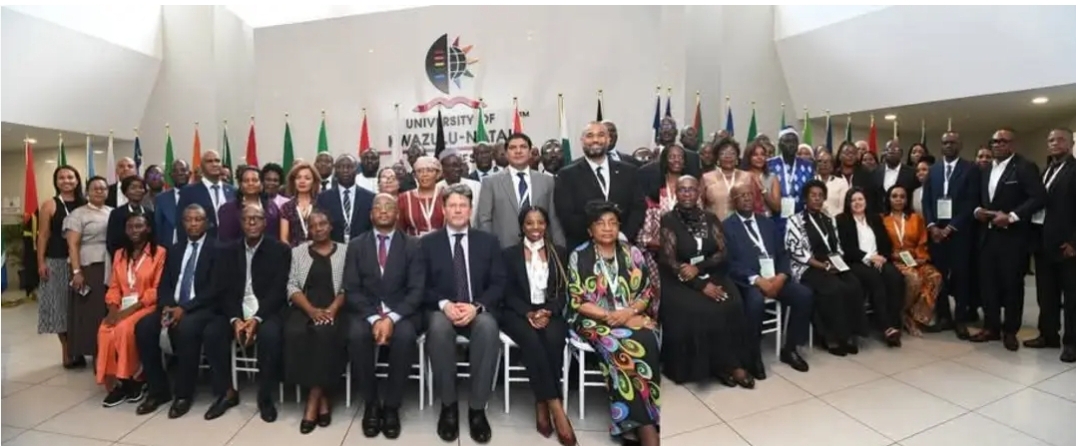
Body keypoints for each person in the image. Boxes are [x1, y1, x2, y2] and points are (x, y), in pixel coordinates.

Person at [566, 200, 660, 446]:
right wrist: (611, 317)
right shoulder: (580, 255)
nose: (607, 228)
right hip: (592, 319)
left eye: (612, 223)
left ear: (619, 226)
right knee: (620, 346)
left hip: (629, 314)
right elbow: (577, 299)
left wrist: (628, 313)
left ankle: (636, 421)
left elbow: (647, 292)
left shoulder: (633, 253)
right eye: (600, 223)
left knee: (648, 339)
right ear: (590, 229)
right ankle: (644, 426)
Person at [422, 184, 505, 443]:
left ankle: (477, 409)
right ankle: (448, 407)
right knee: (437, 329)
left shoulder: (488, 242)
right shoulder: (427, 243)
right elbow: (419, 285)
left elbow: (499, 282)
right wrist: (444, 304)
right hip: (441, 308)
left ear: (470, 210)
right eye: (452, 205)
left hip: (476, 307)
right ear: (443, 210)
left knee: (488, 328)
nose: (458, 210)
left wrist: (477, 306)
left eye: (463, 205)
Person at [657, 176, 755, 387]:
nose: (687, 194)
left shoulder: (710, 218)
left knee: (733, 302)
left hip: (710, 270)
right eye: (682, 190)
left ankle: (733, 363)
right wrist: (700, 285)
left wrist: (700, 270)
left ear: (699, 192)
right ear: (676, 192)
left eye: (692, 190)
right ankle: (714, 366)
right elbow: (670, 260)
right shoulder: (668, 220)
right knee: (702, 310)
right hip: (677, 279)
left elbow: (723, 251)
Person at [134, 204, 229, 419]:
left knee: (185, 329)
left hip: (203, 308)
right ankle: (158, 390)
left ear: (207, 223)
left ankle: (183, 394)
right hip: (173, 306)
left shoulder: (218, 249)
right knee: (144, 327)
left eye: (198, 219)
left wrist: (184, 308)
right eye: (189, 219)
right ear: (182, 223)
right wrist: (167, 305)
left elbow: (215, 289)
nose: (193, 223)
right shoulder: (175, 249)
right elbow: (165, 283)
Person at [345, 194, 425, 439]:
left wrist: (390, 318)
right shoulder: (357, 245)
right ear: (370, 215)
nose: (382, 211)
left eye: (388, 207)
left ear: (397, 214)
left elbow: (417, 289)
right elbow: (351, 288)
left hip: (403, 312)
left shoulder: (413, 245)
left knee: (405, 336)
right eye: (377, 207)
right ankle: (371, 404)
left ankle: (391, 406)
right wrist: (373, 318)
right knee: (356, 334)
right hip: (365, 311)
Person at [499, 206, 576, 444]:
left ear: (546, 225)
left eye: (540, 223)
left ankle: (541, 401)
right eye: (530, 223)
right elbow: (506, 293)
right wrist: (528, 313)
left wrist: (548, 311)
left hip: (549, 310)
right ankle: (556, 406)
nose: (535, 228)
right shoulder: (509, 254)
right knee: (532, 340)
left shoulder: (559, 253)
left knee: (553, 340)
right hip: (517, 312)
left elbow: (566, 291)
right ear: (522, 226)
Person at [208, 204, 291, 421]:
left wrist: (257, 318)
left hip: (267, 309)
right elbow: (223, 290)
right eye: (247, 219)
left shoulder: (280, 250)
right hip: (236, 308)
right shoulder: (227, 251)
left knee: (270, 335)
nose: (252, 222)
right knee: (213, 332)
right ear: (240, 223)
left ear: (265, 222)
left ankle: (265, 397)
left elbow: (278, 290)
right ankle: (227, 392)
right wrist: (235, 319)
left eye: (257, 218)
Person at [971, 128, 1046, 350]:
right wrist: (977, 210)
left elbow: (1039, 197)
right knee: (988, 284)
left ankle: (1010, 331)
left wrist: (1012, 216)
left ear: (1013, 144)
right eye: (994, 141)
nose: (997, 145)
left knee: (1012, 285)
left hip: (1013, 238)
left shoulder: (1024, 167)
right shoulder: (985, 169)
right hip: (987, 236)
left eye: (1003, 141)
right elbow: (979, 198)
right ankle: (991, 327)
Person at [725, 184, 812, 373]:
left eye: (750, 194)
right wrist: (756, 279)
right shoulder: (726, 227)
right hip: (749, 282)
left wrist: (782, 276)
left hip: (776, 277)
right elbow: (730, 263)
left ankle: (790, 349)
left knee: (804, 295)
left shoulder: (767, 223)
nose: (747, 198)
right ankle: (752, 354)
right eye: (741, 196)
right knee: (755, 302)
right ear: (733, 202)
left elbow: (782, 253)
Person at [284, 209, 348, 434]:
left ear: (331, 226)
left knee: (325, 334)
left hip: (336, 308)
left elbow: (347, 287)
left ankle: (313, 401)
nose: (318, 228)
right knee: (295, 333)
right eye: (313, 225)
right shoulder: (298, 252)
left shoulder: (345, 251)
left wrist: (331, 310)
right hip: (305, 307)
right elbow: (292, 285)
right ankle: (323, 400)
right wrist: (311, 311)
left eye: (323, 224)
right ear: (307, 230)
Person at [785, 180, 867, 355]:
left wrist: (837, 263)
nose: (817, 199)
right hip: (808, 266)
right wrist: (822, 266)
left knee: (853, 284)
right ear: (805, 198)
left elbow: (837, 246)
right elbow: (797, 252)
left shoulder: (829, 219)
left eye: (820, 196)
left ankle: (848, 334)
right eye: (813, 195)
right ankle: (830, 338)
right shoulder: (795, 220)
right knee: (833, 288)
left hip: (831, 263)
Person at [97, 212, 166, 406]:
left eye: (139, 226)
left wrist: (127, 312)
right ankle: (116, 382)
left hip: (147, 306)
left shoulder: (159, 253)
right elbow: (114, 287)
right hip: (121, 306)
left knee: (124, 328)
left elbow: (156, 289)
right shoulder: (120, 254)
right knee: (105, 329)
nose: (134, 230)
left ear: (148, 229)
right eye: (130, 227)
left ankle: (132, 380)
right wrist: (112, 310)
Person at [921, 131, 981, 338]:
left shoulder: (970, 169)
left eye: (952, 142)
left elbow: (971, 202)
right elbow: (926, 201)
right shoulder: (934, 170)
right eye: (945, 142)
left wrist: (951, 227)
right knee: (939, 277)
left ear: (960, 145)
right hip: (936, 234)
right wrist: (931, 226)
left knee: (962, 277)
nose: (948, 145)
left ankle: (961, 319)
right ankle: (944, 316)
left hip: (960, 233)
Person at [555, 122, 646, 250]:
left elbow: (638, 208)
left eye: (601, 135)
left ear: (609, 140)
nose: (595, 140)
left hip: (623, 245)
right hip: (584, 249)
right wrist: (598, 235)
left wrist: (622, 235)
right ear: (582, 141)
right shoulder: (567, 175)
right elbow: (566, 215)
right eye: (590, 136)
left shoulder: (629, 172)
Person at [1027, 128, 1076, 362]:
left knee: (1072, 296)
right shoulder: (1047, 170)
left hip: (1067, 245)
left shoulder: (1074, 170)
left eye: (1059, 140)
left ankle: (1072, 343)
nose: (1054, 143)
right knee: (1046, 294)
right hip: (1043, 241)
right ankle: (1048, 335)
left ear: (1070, 142)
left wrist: (1074, 242)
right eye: (1050, 140)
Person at [835, 188, 906, 347]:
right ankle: (886, 327)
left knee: (895, 277)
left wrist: (882, 257)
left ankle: (895, 323)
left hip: (879, 259)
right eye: (853, 200)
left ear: (866, 201)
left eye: (860, 199)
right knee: (875, 279)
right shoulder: (842, 220)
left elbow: (886, 243)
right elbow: (847, 248)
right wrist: (868, 257)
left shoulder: (874, 219)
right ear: (848, 203)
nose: (857, 203)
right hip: (857, 262)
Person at [35, 166, 87, 368]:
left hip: (82, 262)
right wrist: (40, 261)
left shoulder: (86, 203)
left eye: (70, 177)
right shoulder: (50, 205)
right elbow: (43, 235)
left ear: (77, 179)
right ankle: (67, 351)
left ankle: (80, 348)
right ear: (56, 182)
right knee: (59, 307)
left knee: (80, 307)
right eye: (61, 177)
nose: (66, 180)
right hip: (56, 261)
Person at [478, 132, 565, 248]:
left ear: (530, 153)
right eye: (512, 148)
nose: (518, 151)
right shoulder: (490, 183)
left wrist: (560, 248)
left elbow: (554, 219)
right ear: (506, 154)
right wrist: (488, 251)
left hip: (541, 250)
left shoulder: (547, 181)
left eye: (523, 147)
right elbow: (484, 221)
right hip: (504, 251)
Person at [65, 176, 113, 366]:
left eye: (103, 188)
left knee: (106, 309)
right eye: (95, 188)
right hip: (88, 266)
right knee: (91, 312)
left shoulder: (112, 211)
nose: (100, 191)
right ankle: (95, 353)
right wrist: (77, 271)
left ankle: (107, 350)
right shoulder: (78, 215)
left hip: (110, 265)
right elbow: (73, 245)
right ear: (87, 192)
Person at [882, 185, 943, 336]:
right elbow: (880, 243)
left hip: (915, 258)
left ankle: (914, 316)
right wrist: (892, 255)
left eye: (902, 196)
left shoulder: (916, 218)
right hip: (894, 260)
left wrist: (921, 258)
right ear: (888, 199)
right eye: (894, 196)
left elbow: (922, 241)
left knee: (935, 276)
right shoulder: (882, 219)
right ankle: (902, 314)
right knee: (913, 278)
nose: (898, 199)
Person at [176, 150, 236, 240]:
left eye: (217, 161)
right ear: (201, 167)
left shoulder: (233, 191)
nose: (214, 164)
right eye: (209, 161)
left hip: (230, 245)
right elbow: (181, 223)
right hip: (203, 246)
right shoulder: (188, 192)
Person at [317, 154, 375, 243]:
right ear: (335, 170)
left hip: (362, 248)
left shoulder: (370, 197)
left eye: (349, 167)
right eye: (340, 167)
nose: (345, 170)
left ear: (356, 170)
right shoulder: (323, 198)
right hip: (333, 248)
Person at [217, 165, 282, 243]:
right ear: (240, 185)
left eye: (254, 180)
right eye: (246, 180)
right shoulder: (227, 209)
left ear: (261, 184)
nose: (250, 183)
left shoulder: (272, 207)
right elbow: (225, 240)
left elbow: (275, 236)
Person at [767, 127, 815, 230]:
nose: (791, 144)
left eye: (794, 141)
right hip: (775, 219)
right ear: (779, 144)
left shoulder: (808, 166)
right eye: (787, 141)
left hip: (801, 219)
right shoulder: (769, 165)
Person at [702, 139, 753, 220]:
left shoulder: (747, 176)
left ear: (737, 157)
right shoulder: (706, 177)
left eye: (732, 153)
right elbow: (700, 204)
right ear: (717, 157)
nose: (728, 156)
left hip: (741, 226)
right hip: (714, 226)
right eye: (723, 153)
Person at [106, 176, 154, 257]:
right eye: (133, 188)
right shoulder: (116, 213)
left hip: (147, 259)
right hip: (123, 259)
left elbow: (153, 238)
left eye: (141, 187)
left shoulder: (149, 213)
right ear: (125, 192)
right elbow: (112, 241)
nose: (138, 191)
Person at [398, 155, 445, 236]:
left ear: (438, 174)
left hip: (442, 246)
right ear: (415, 175)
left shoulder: (447, 196)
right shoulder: (404, 199)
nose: (424, 174)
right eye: (419, 171)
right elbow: (399, 231)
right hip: (414, 246)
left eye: (429, 170)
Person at [280, 162, 322, 246]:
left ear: (314, 181)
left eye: (307, 178)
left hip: (319, 252)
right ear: (293, 181)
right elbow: (284, 239)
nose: (302, 181)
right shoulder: (287, 207)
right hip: (294, 253)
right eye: (298, 178)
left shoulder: (321, 203)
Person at [437, 148, 483, 225]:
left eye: (458, 165)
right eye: (451, 166)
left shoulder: (476, 186)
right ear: (443, 168)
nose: (455, 169)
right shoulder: (437, 189)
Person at [154, 159, 192, 247]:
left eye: (183, 170)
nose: (179, 173)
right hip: (169, 249)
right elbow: (158, 227)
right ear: (171, 175)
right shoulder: (161, 198)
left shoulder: (199, 194)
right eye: (175, 171)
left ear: (189, 173)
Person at [874, 140, 918, 208]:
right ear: (883, 153)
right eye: (888, 149)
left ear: (901, 153)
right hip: (879, 215)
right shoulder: (875, 172)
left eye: (895, 149)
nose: (891, 151)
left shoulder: (912, 173)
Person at [743, 142, 781, 217]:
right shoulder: (741, 176)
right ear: (749, 157)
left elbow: (777, 207)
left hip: (766, 221)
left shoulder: (772, 177)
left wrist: (763, 190)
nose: (759, 158)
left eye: (762, 154)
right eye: (755, 155)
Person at [815, 151, 849, 217]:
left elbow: (843, 208)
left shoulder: (841, 183)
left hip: (836, 221)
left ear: (832, 165)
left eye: (826, 162)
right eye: (820, 161)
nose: (823, 164)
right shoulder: (811, 181)